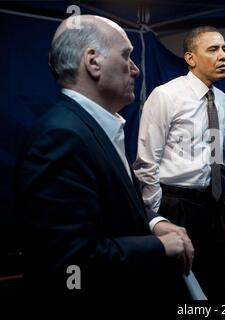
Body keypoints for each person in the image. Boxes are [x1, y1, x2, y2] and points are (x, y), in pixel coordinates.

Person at [14, 15, 193, 298]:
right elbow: (70, 265)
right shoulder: (61, 137)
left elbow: (112, 208)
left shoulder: (91, 126)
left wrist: (154, 223)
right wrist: (159, 247)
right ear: (93, 62)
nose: (135, 69)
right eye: (126, 56)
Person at [133, 26, 225, 299]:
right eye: (213, 49)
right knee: (175, 284)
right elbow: (146, 162)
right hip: (174, 204)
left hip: (210, 203)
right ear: (190, 58)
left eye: (224, 49)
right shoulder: (166, 96)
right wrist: (156, 214)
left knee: (215, 278)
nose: (223, 56)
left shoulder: (222, 100)